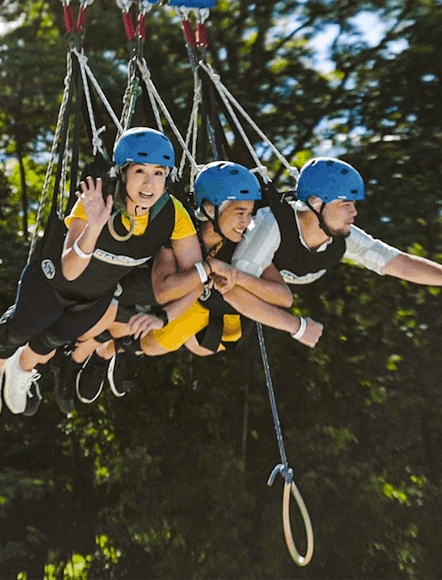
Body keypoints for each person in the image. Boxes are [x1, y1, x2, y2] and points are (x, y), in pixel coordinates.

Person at [0, 127, 201, 422]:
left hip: (96, 296)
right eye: (140, 170)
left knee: (53, 340)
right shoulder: (96, 198)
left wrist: (166, 316)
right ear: (122, 171)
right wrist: (94, 227)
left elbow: (196, 277)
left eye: (159, 173)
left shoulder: (172, 214)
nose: (149, 182)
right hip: (54, 281)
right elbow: (70, 269)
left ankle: (22, 370)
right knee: (20, 329)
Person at [65, 160, 313, 404]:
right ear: (209, 209)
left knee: (168, 342)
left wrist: (239, 277)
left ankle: (112, 350)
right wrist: (206, 272)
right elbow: (164, 290)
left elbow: (284, 297)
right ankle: (103, 352)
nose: (247, 222)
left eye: (250, 214)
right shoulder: (180, 228)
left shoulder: (246, 244)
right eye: (240, 213)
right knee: (139, 323)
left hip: (216, 311)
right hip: (166, 298)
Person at [230, 157, 442, 331]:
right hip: (240, 270)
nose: (354, 213)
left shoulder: (342, 237)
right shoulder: (271, 224)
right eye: (346, 204)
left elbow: (398, 263)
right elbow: (235, 284)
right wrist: (297, 327)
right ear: (315, 202)